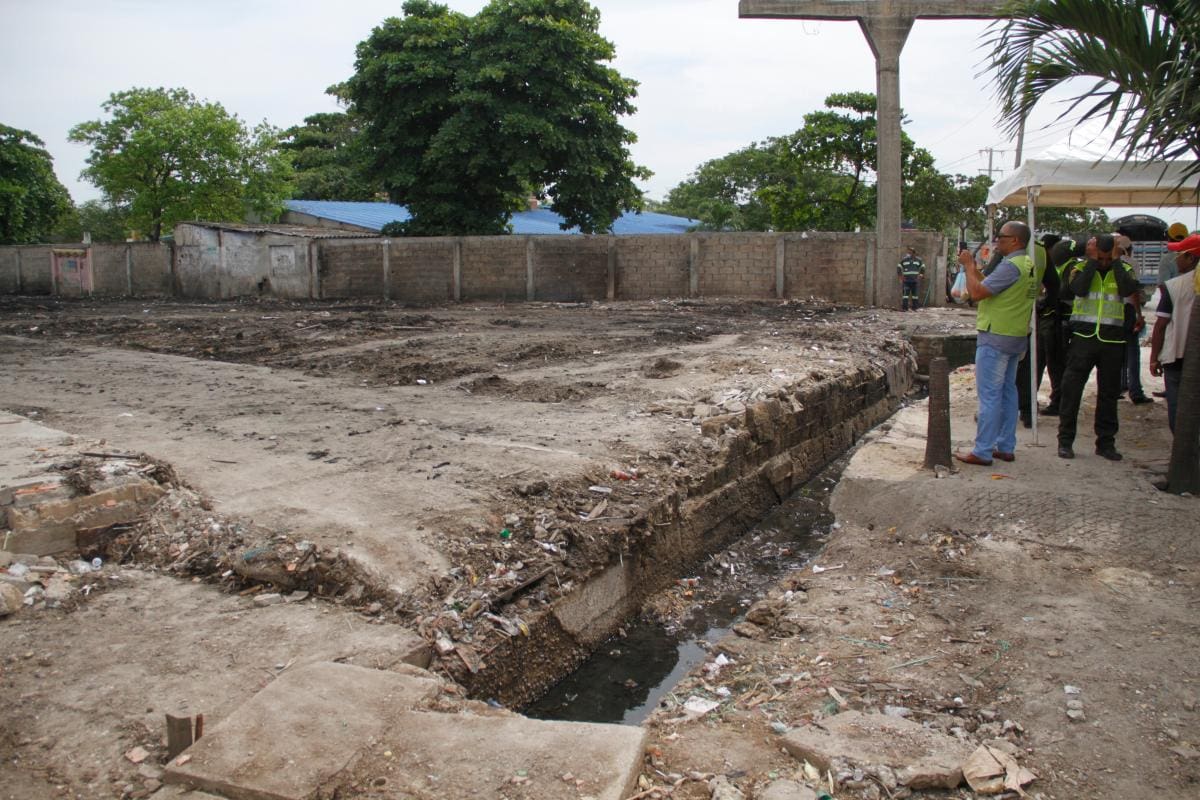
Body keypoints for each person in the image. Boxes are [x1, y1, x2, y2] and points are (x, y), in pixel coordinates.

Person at [954, 221, 1038, 466]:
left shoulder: (1011, 266)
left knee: (990, 396)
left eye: (1002, 237)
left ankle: (982, 451)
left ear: (1016, 241)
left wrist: (969, 266)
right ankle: (1005, 445)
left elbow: (978, 293)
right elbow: (990, 285)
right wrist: (975, 270)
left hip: (996, 335)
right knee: (1008, 392)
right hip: (1015, 335)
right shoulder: (1027, 265)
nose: (997, 241)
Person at [1056, 233, 1142, 461]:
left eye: (1107, 258)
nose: (1104, 262)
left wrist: (1115, 262)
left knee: (1108, 395)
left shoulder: (1124, 269)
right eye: (1100, 258)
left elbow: (1126, 290)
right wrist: (1093, 262)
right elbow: (1079, 289)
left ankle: (1106, 443)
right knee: (1071, 392)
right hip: (1083, 339)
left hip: (1112, 341)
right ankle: (1065, 442)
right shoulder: (1080, 267)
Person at [1149, 233, 1200, 432]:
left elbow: (1161, 325)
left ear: (1191, 258)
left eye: (1179, 253)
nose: (1175, 258)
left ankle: (1183, 454)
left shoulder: (1174, 286)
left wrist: (1154, 358)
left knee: (1177, 406)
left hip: (1177, 356)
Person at [1016, 236, 1060, 426]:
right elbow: (1054, 284)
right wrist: (1043, 305)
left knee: (1003, 368)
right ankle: (1027, 411)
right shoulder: (1041, 251)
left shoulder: (1007, 252)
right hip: (1030, 315)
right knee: (1028, 366)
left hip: (1004, 319)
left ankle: (1002, 411)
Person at [1114, 234, 1152, 405]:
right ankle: (1135, 391)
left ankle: (1116, 387)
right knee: (1132, 352)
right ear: (1129, 249)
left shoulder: (1105, 262)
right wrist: (1139, 314)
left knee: (1115, 352)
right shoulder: (1131, 263)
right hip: (1127, 311)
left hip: (1112, 312)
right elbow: (1133, 291)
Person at [1158, 222, 1189, 287]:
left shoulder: (1166, 260)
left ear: (1169, 239)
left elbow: (1163, 287)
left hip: (1174, 296)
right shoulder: (1194, 257)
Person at [897, 247, 925, 311]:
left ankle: (915, 307)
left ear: (914, 253)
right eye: (909, 253)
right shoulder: (904, 260)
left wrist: (921, 274)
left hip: (915, 281)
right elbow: (899, 266)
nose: (909, 254)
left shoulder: (918, 260)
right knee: (905, 295)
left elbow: (923, 266)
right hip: (906, 280)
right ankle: (905, 308)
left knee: (915, 295)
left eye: (911, 252)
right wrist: (900, 275)